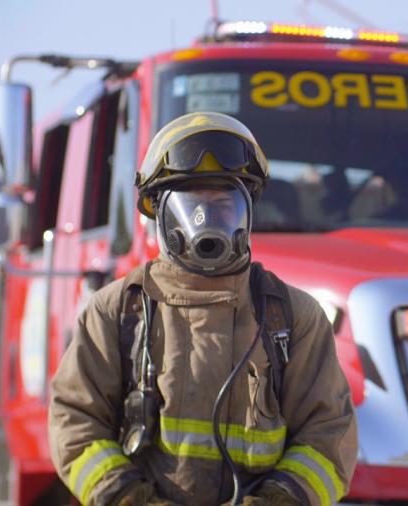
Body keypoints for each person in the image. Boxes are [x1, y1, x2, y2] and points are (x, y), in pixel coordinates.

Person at [48, 112, 357, 505]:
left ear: (247, 210)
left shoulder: (294, 317)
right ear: (159, 213)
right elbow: (75, 423)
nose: (205, 221)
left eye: (222, 204)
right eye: (191, 205)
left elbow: (329, 434)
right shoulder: (117, 311)